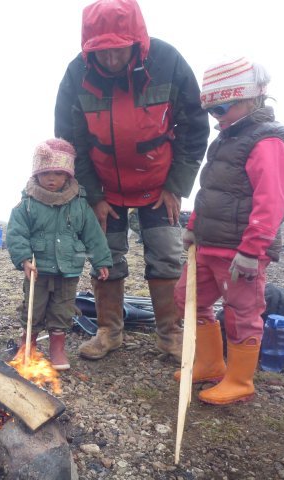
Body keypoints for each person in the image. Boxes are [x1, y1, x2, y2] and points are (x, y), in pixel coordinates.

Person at [54, 0, 210, 362]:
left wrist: (176, 186)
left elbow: (193, 128)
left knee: (168, 257)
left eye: (118, 51)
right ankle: (109, 331)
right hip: (104, 188)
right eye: (102, 52)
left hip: (159, 186)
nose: (110, 60)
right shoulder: (77, 74)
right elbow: (70, 141)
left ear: (136, 40)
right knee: (105, 256)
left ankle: (170, 334)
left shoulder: (168, 61)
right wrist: (92, 195)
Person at [173, 57, 284, 405]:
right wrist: (194, 227)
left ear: (252, 98)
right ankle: (211, 362)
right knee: (187, 298)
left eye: (223, 106)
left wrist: (252, 250)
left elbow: (272, 201)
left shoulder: (268, 141)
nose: (217, 116)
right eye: (211, 109)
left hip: (241, 251)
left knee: (241, 312)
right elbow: (209, 191)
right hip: (209, 243)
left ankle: (240, 380)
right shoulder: (225, 139)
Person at [7, 139, 112, 370]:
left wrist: (101, 260)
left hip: (69, 268)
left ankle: (57, 349)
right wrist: (24, 259)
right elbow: (16, 233)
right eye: (45, 174)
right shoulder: (27, 204)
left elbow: (92, 233)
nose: (51, 179)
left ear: (68, 175)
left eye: (57, 173)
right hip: (38, 270)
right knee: (33, 308)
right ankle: (28, 346)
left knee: (63, 309)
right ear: (36, 175)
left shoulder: (79, 204)